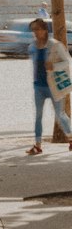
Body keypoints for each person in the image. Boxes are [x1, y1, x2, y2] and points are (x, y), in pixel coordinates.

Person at [26, 16, 72, 155]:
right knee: (38, 116)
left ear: (45, 30)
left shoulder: (55, 45)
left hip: (53, 86)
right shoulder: (32, 47)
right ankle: (37, 145)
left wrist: (54, 66)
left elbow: (66, 62)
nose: (36, 32)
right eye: (34, 30)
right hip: (38, 87)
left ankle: (71, 138)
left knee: (60, 114)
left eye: (38, 29)